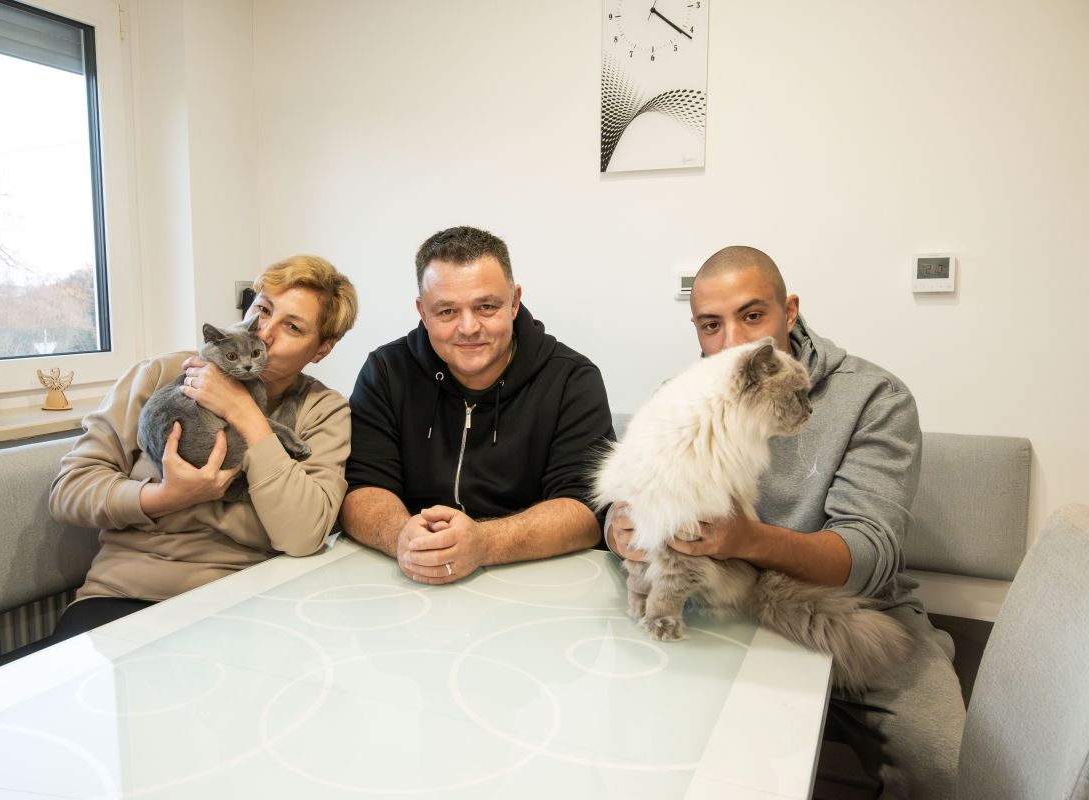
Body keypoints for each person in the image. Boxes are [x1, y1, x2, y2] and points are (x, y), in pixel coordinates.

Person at [607, 246, 964, 800]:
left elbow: (868, 554)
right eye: (711, 325)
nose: (733, 341)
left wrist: (748, 540)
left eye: (752, 316)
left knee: (941, 759)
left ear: (789, 311)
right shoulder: (681, 393)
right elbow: (627, 489)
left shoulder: (875, 399)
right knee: (637, 724)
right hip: (708, 596)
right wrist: (621, 526)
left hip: (845, 602)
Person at [47, 254, 357, 634]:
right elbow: (69, 491)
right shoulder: (159, 375)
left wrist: (243, 411)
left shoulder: (323, 410)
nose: (264, 333)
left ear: (322, 349)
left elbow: (304, 534)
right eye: (263, 309)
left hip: (250, 600)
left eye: (292, 326)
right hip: (128, 593)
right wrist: (165, 497)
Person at [340, 225, 613, 583]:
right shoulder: (387, 371)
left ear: (514, 302)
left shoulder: (571, 379)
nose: (468, 327)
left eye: (486, 306)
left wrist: (484, 543)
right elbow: (361, 487)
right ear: (422, 312)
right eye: (446, 311)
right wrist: (402, 537)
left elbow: (586, 509)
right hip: (411, 576)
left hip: (534, 578)